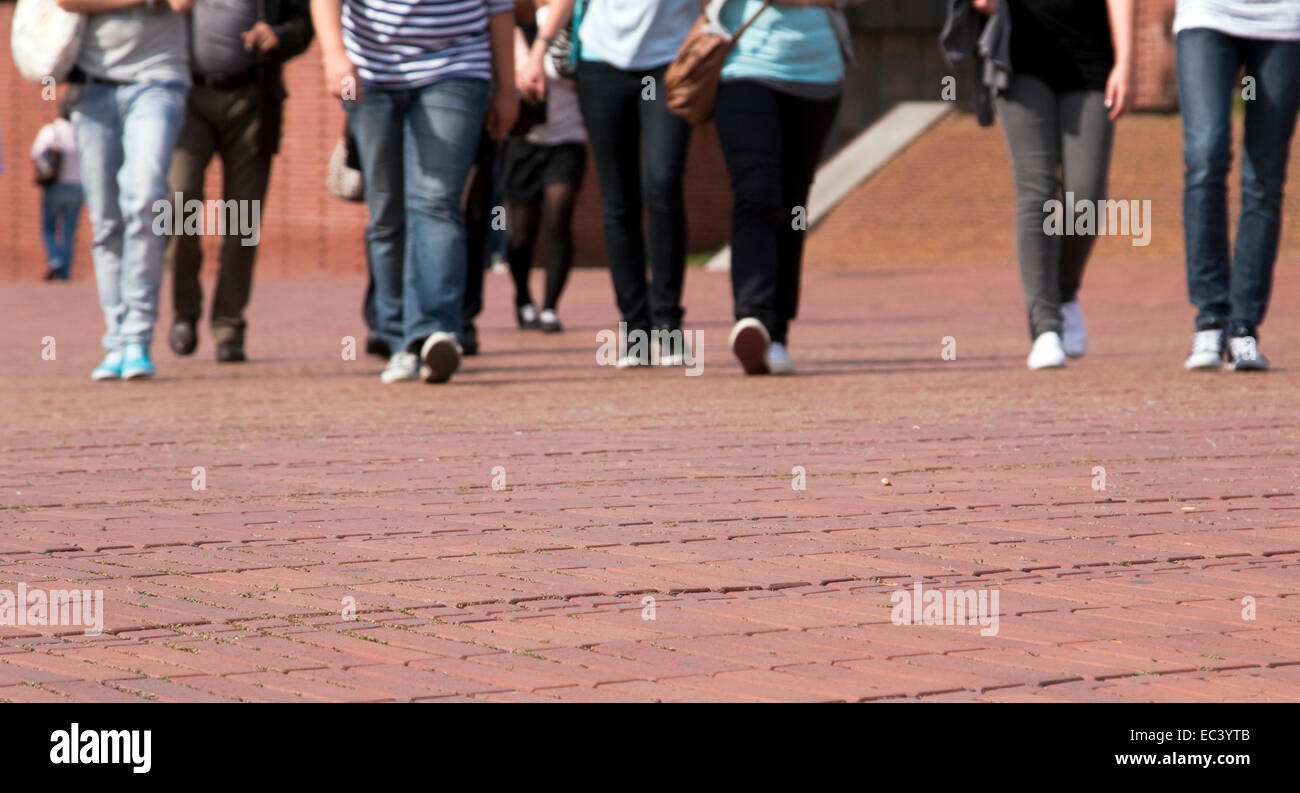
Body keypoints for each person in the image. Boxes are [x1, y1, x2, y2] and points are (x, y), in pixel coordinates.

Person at [311, 0, 517, 384]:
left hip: (456, 66)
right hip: (370, 72)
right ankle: (395, 337)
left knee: (436, 203)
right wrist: (334, 56)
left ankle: (432, 332)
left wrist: (508, 87)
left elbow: (500, 6)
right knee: (387, 211)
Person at [519, 0, 696, 366]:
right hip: (602, 64)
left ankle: (667, 322)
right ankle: (635, 329)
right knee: (618, 201)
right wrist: (539, 49)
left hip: (669, 59)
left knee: (662, 184)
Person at [980, 0, 1135, 370]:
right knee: (1037, 192)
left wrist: (1126, 62)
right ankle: (1046, 326)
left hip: (1091, 60)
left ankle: (1064, 291)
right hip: (1021, 59)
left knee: (1087, 198)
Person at [714, 0, 860, 375]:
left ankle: (778, 333)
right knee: (755, 193)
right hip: (745, 65)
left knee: (794, 204)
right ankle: (753, 317)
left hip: (818, 76)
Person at [166, 0, 314, 363]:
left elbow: (303, 25)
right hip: (186, 98)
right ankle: (184, 311)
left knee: (241, 220)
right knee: (176, 204)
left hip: (251, 100)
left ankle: (229, 326)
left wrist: (277, 36)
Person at [59, 0, 192, 381]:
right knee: (105, 219)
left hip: (157, 80)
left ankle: (137, 336)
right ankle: (116, 337)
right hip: (92, 88)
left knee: (147, 201)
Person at [1176, 0, 1300, 372]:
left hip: (1283, 23)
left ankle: (1244, 326)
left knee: (1264, 176)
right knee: (1205, 155)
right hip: (1207, 15)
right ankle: (1210, 318)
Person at [506, 0, 587, 334]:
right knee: (520, 235)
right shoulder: (515, 22)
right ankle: (524, 298)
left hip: (568, 139)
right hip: (524, 141)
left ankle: (551, 306)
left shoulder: (577, 21)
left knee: (559, 219)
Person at [30, 93, 84, 282]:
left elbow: (36, 152)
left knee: (49, 229)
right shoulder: (82, 132)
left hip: (55, 186)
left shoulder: (52, 130)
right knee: (69, 232)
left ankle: (55, 259)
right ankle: (65, 274)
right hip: (78, 187)